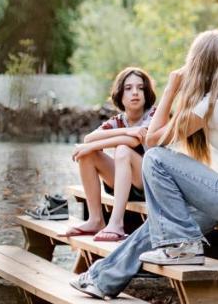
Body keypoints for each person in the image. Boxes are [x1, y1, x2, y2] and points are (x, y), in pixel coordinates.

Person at [71, 30, 218, 299]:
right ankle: (102, 278)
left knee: (156, 159)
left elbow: (152, 142)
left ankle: (183, 246)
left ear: (197, 65)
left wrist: (172, 88)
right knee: (168, 221)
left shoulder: (212, 103)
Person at [62, 68, 156, 242]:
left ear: (147, 92)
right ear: (120, 94)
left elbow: (133, 142)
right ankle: (96, 220)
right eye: (128, 88)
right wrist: (129, 130)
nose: (135, 92)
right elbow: (89, 137)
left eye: (140, 88)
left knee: (122, 149)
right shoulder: (118, 121)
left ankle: (116, 223)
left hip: (150, 184)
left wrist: (91, 146)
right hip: (123, 182)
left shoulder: (154, 115)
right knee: (87, 156)